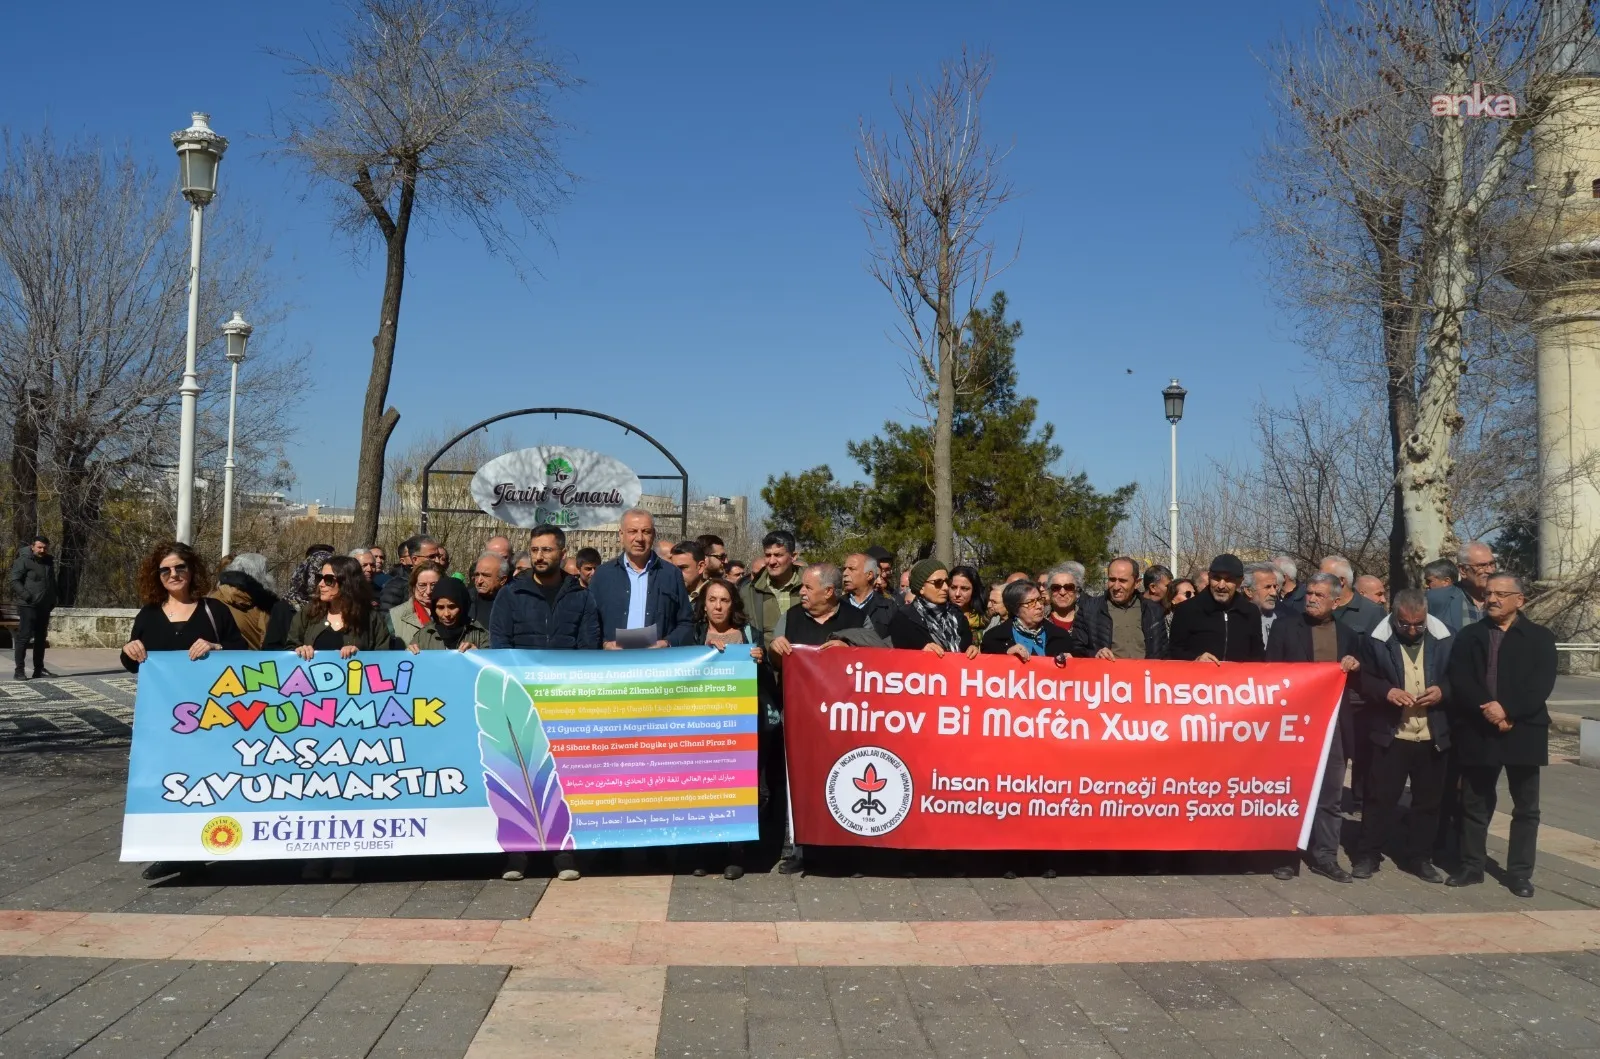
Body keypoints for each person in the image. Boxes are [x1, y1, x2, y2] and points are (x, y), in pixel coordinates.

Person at [122, 542, 249, 882]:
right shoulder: (149, 614)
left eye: (180, 568)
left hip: (210, 721)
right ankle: (172, 852)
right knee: (167, 784)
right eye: (166, 570)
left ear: (192, 571)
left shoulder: (213, 611)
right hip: (162, 721)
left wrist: (216, 646)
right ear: (157, 576)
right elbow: (133, 662)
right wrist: (129, 649)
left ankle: (202, 847)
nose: (173, 575)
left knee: (204, 783)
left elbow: (243, 653)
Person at [1445, 573, 1556, 898]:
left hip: (1524, 730)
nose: (1492, 599)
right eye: (1489, 593)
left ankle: (1520, 873)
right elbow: (1460, 678)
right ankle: (1471, 866)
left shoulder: (1539, 637)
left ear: (1519, 600)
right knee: (1475, 801)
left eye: (1501, 594)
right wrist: (1488, 709)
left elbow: (1541, 683)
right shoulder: (1470, 636)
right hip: (1480, 729)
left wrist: (1508, 711)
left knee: (1526, 807)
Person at [767, 563, 879, 875]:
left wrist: (849, 644)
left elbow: (881, 649)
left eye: (807, 587)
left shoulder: (856, 618)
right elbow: (775, 654)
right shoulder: (789, 619)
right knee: (800, 782)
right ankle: (798, 848)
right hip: (799, 717)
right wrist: (775, 648)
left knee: (844, 779)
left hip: (844, 718)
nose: (800, 592)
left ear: (829, 592)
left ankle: (847, 850)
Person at [1265, 572, 1363, 882]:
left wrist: (1356, 665)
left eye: (1319, 595)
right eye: (1309, 593)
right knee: (1290, 791)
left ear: (1336, 600)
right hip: (1293, 725)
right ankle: (1285, 856)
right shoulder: (1285, 627)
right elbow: (1270, 673)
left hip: (1332, 727)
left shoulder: (1348, 635)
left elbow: (1361, 680)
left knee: (1330, 794)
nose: (1311, 599)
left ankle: (1325, 856)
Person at [1352, 589, 1453, 884]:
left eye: (1418, 624)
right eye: (1405, 624)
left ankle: (1420, 857)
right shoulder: (1376, 639)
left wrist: (1443, 691)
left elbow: (1460, 676)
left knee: (1428, 802)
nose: (1412, 630)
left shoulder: (1447, 638)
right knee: (1379, 798)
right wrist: (1387, 691)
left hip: (1433, 732)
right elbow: (1363, 678)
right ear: (1394, 616)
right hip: (1392, 733)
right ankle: (1368, 854)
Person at [590, 508, 694, 648]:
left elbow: (686, 623)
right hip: (613, 665)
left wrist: (667, 643)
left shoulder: (671, 574)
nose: (639, 538)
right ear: (621, 535)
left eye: (646, 532)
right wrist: (604, 644)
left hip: (657, 664)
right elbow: (589, 623)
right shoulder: (603, 575)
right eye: (632, 531)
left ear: (654, 535)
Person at [490, 525, 601, 651]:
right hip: (521, 669)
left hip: (565, 669)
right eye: (534, 550)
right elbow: (500, 644)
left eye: (547, 550)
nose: (539, 557)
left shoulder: (582, 597)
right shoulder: (510, 593)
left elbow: (588, 648)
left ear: (563, 554)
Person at [286, 555, 395, 657]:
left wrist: (360, 656)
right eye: (320, 578)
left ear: (346, 583)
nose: (321, 584)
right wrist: (299, 651)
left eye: (328, 580)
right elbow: (288, 651)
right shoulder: (309, 613)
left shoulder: (371, 618)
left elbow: (383, 658)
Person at [1168, 555, 1263, 663]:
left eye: (1228, 579)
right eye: (1216, 578)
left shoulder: (1250, 612)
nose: (1221, 585)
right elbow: (1174, 651)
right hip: (1199, 678)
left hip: (1238, 678)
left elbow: (1257, 655)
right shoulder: (1186, 610)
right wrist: (1196, 659)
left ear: (1240, 582)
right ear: (1209, 577)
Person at [1077, 556, 1167, 660]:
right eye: (1112, 580)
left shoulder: (1153, 611)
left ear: (1137, 583)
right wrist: (1095, 654)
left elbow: (1163, 652)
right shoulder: (1089, 609)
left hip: (1144, 674)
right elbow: (1076, 648)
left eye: (1122, 581)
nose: (1116, 587)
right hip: (1106, 674)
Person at [888, 559, 979, 657]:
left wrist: (972, 649)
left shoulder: (957, 615)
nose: (945, 587)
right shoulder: (903, 618)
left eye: (947, 582)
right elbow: (898, 659)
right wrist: (920, 651)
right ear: (921, 587)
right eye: (938, 582)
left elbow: (967, 648)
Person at [212, 553, 295, 651]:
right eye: (266, 571)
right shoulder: (213, 603)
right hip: (235, 664)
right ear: (257, 573)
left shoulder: (269, 604)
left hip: (258, 664)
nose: (269, 576)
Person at [981, 579, 1074, 661]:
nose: (1039, 606)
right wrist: (1005, 655)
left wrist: (1071, 663)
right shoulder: (994, 638)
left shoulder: (1061, 636)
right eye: (1031, 603)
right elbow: (987, 671)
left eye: (1039, 600)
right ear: (1015, 609)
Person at [741, 530, 804, 647]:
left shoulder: (811, 586)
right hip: (766, 663)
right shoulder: (749, 592)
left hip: (805, 661)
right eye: (768, 555)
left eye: (778, 555)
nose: (772, 561)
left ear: (793, 556)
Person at [9, 535, 56, 680]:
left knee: (41, 639)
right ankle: (19, 671)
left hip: (44, 606)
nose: (42, 550)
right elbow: (14, 581)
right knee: (24, 638)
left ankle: (39, 669)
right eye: (39, 547)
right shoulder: (23, 560)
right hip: (28, 605)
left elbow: (51, 581)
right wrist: (27, 596)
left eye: (44, 548)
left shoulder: (48, 561)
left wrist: (54, 598)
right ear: (32, 546)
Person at [407, 576, 489, 652]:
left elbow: (493, 663)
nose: (446, 614)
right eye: (440, 607)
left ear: (462, 606)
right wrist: (409, 654)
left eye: (452, 607)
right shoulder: (424, 636)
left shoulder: (480, 635)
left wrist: (479, 654)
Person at [1429, 542, 1495, 633]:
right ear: (1463, 570)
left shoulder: (1503, 599)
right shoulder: (1436, 599)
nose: (1490, 571)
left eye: (1491, 564)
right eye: (1481, 566)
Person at [1320, 555, 1384, 638]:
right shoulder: (1314, 607)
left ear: (1341, 581)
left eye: (1323, 578)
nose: (1318, 582)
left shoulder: (1374, 613)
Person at [379, 536, 444, 609]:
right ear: (415, 559)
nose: (437, 561)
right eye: (432, 557)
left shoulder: (444, 582)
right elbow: (387, 617)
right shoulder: (396, 587)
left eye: (438, 556)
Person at [841, 552, 896, 638]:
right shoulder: (836, 605)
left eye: (851, 569)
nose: (845, 573)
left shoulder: (889, 607)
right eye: (844, 569)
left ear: (869, 575)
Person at [389, 561, 442, 648]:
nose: (428, 591)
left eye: (434, 585)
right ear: (413, 586)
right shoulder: (395, 616)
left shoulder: (453, 613)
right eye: (422, 585)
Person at [1243, 561, 1282, 649]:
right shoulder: (1234, 621)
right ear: (1249, 591)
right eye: (1267, 587)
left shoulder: (1283, 618)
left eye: (1275, 587)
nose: (1274, 593)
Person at [1042, 562, 1086, 638]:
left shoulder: (1087, 619)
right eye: (1056, 587)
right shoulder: (1040, 618)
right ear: (1049, 591)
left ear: (1077, 591)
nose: (1062, 593)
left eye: (1069, 587)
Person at [470, 552, 510, 627]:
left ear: (502, 580)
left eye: (486, 576)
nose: (479, 581)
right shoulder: (466, 600)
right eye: (477, 575)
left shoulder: (514, 604)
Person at [948, 565, 987, 639]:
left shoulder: (986, 618)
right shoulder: (938, 615)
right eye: (953, 587)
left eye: (964, 589)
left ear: (974, 590)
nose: (957, 594)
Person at [669, 540, 709, 607]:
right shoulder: (669, 595)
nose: (676, 573)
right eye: (673, 568)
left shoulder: (714, 595)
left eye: (682, 568)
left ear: (700, 567)